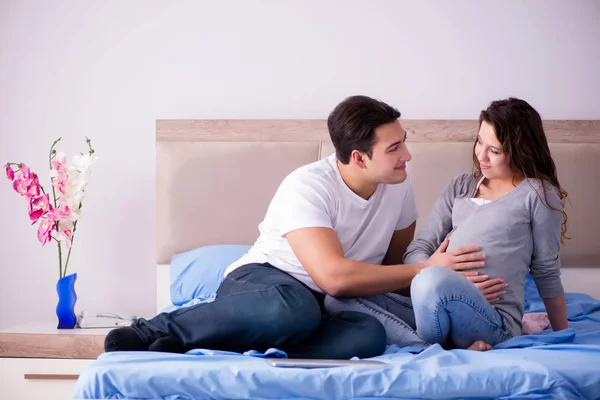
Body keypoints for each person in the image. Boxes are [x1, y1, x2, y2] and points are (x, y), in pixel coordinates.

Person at [104, 95, 491, 359]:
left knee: (369, 335)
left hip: (324, 305)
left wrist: (449, 283)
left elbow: (394, 270)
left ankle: (213, 344)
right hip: (265, 284)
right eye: (394, 149)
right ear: (358, 157)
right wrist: (425, 269)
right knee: (294, 310)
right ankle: (151, 329)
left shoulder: (398, 184)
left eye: (403, 142)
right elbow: (334, 278)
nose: (407, 155)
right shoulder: (307, 186)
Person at [325, 97, 569, 351]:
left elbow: (546, 269)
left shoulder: (537, 193)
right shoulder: (461, 186)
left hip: (492, 320)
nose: (481, 156)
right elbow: (417, 250)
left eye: (494, 151)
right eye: (479, 142)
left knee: (432, 281)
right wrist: (443, 275)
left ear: (521, 149)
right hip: (434, 300)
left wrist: (563, 331)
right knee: (338, 299)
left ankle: (429, 345)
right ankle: (437, 345)